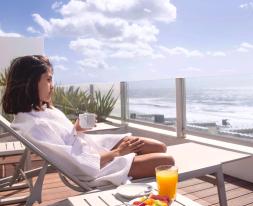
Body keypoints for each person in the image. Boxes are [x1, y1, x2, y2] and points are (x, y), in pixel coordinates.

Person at [1, 55, 174, 186]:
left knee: (159, 147)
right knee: (167, 161)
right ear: (30, 82)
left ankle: (135, 159)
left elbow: (65, 137)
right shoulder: (36, 125)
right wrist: (118, 152)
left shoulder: (40, 110)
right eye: (48, 79)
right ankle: (131, 162)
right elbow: (79, 165)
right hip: (97, 167)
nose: (52, 85)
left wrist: (76, 128)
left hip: (93, 147)